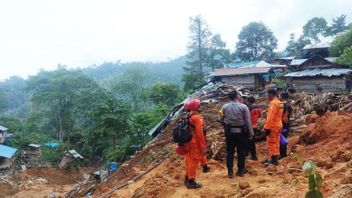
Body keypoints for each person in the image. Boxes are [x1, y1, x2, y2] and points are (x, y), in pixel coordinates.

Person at [220, 91, 254, 178]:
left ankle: (230, 172)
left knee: (230, 152)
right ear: (236, 96)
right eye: (239, 94)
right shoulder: (243, 107)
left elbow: (221, 119)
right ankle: (240, 171)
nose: (240, 96)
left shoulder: (224, 107)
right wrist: (251, 133)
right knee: (241, 152)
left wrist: (227, 124)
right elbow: (248, 121)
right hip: (241, 133)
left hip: (229, 133)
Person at [184, 99, 207, 189]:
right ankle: (191, 181)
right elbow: (199, 133)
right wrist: (203, 146)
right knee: (194, 160)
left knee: (189, 160)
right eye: (199, 105)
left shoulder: (189, 115)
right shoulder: (196, 117)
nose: (200, 106)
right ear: (196, 107)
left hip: (189, 142)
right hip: (195, 142)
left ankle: (187, 177)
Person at [263, 89, 284, 166]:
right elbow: (281, 114)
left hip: (273, 126)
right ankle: (275, 158)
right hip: (279, 124)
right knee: (276, 142)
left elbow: (270, 117)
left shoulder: (274, 104)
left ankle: (273, 160)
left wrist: (266, 128)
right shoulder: (280, 103)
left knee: (271, 142)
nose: (267, 96)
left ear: (271, 94)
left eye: (267, 94)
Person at [246, 96, 262, 160]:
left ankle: (252, 156)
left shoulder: (249, 108)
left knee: (249, 141)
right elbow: (260, 116)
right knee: (252, 141)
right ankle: (252, 155)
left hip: (250, 126)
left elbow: (246, 118)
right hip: (256, 125)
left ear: (248, 101)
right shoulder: (258, 107)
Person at [279, 92, 293, 159]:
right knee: (283, 139)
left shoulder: (282, 105)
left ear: (282, 96)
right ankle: (283, 154)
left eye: (279, 95)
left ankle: (282, 155)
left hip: (283, 125)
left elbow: (280, 115)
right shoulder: (289, 105)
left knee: (281, 140)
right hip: (286, 125)